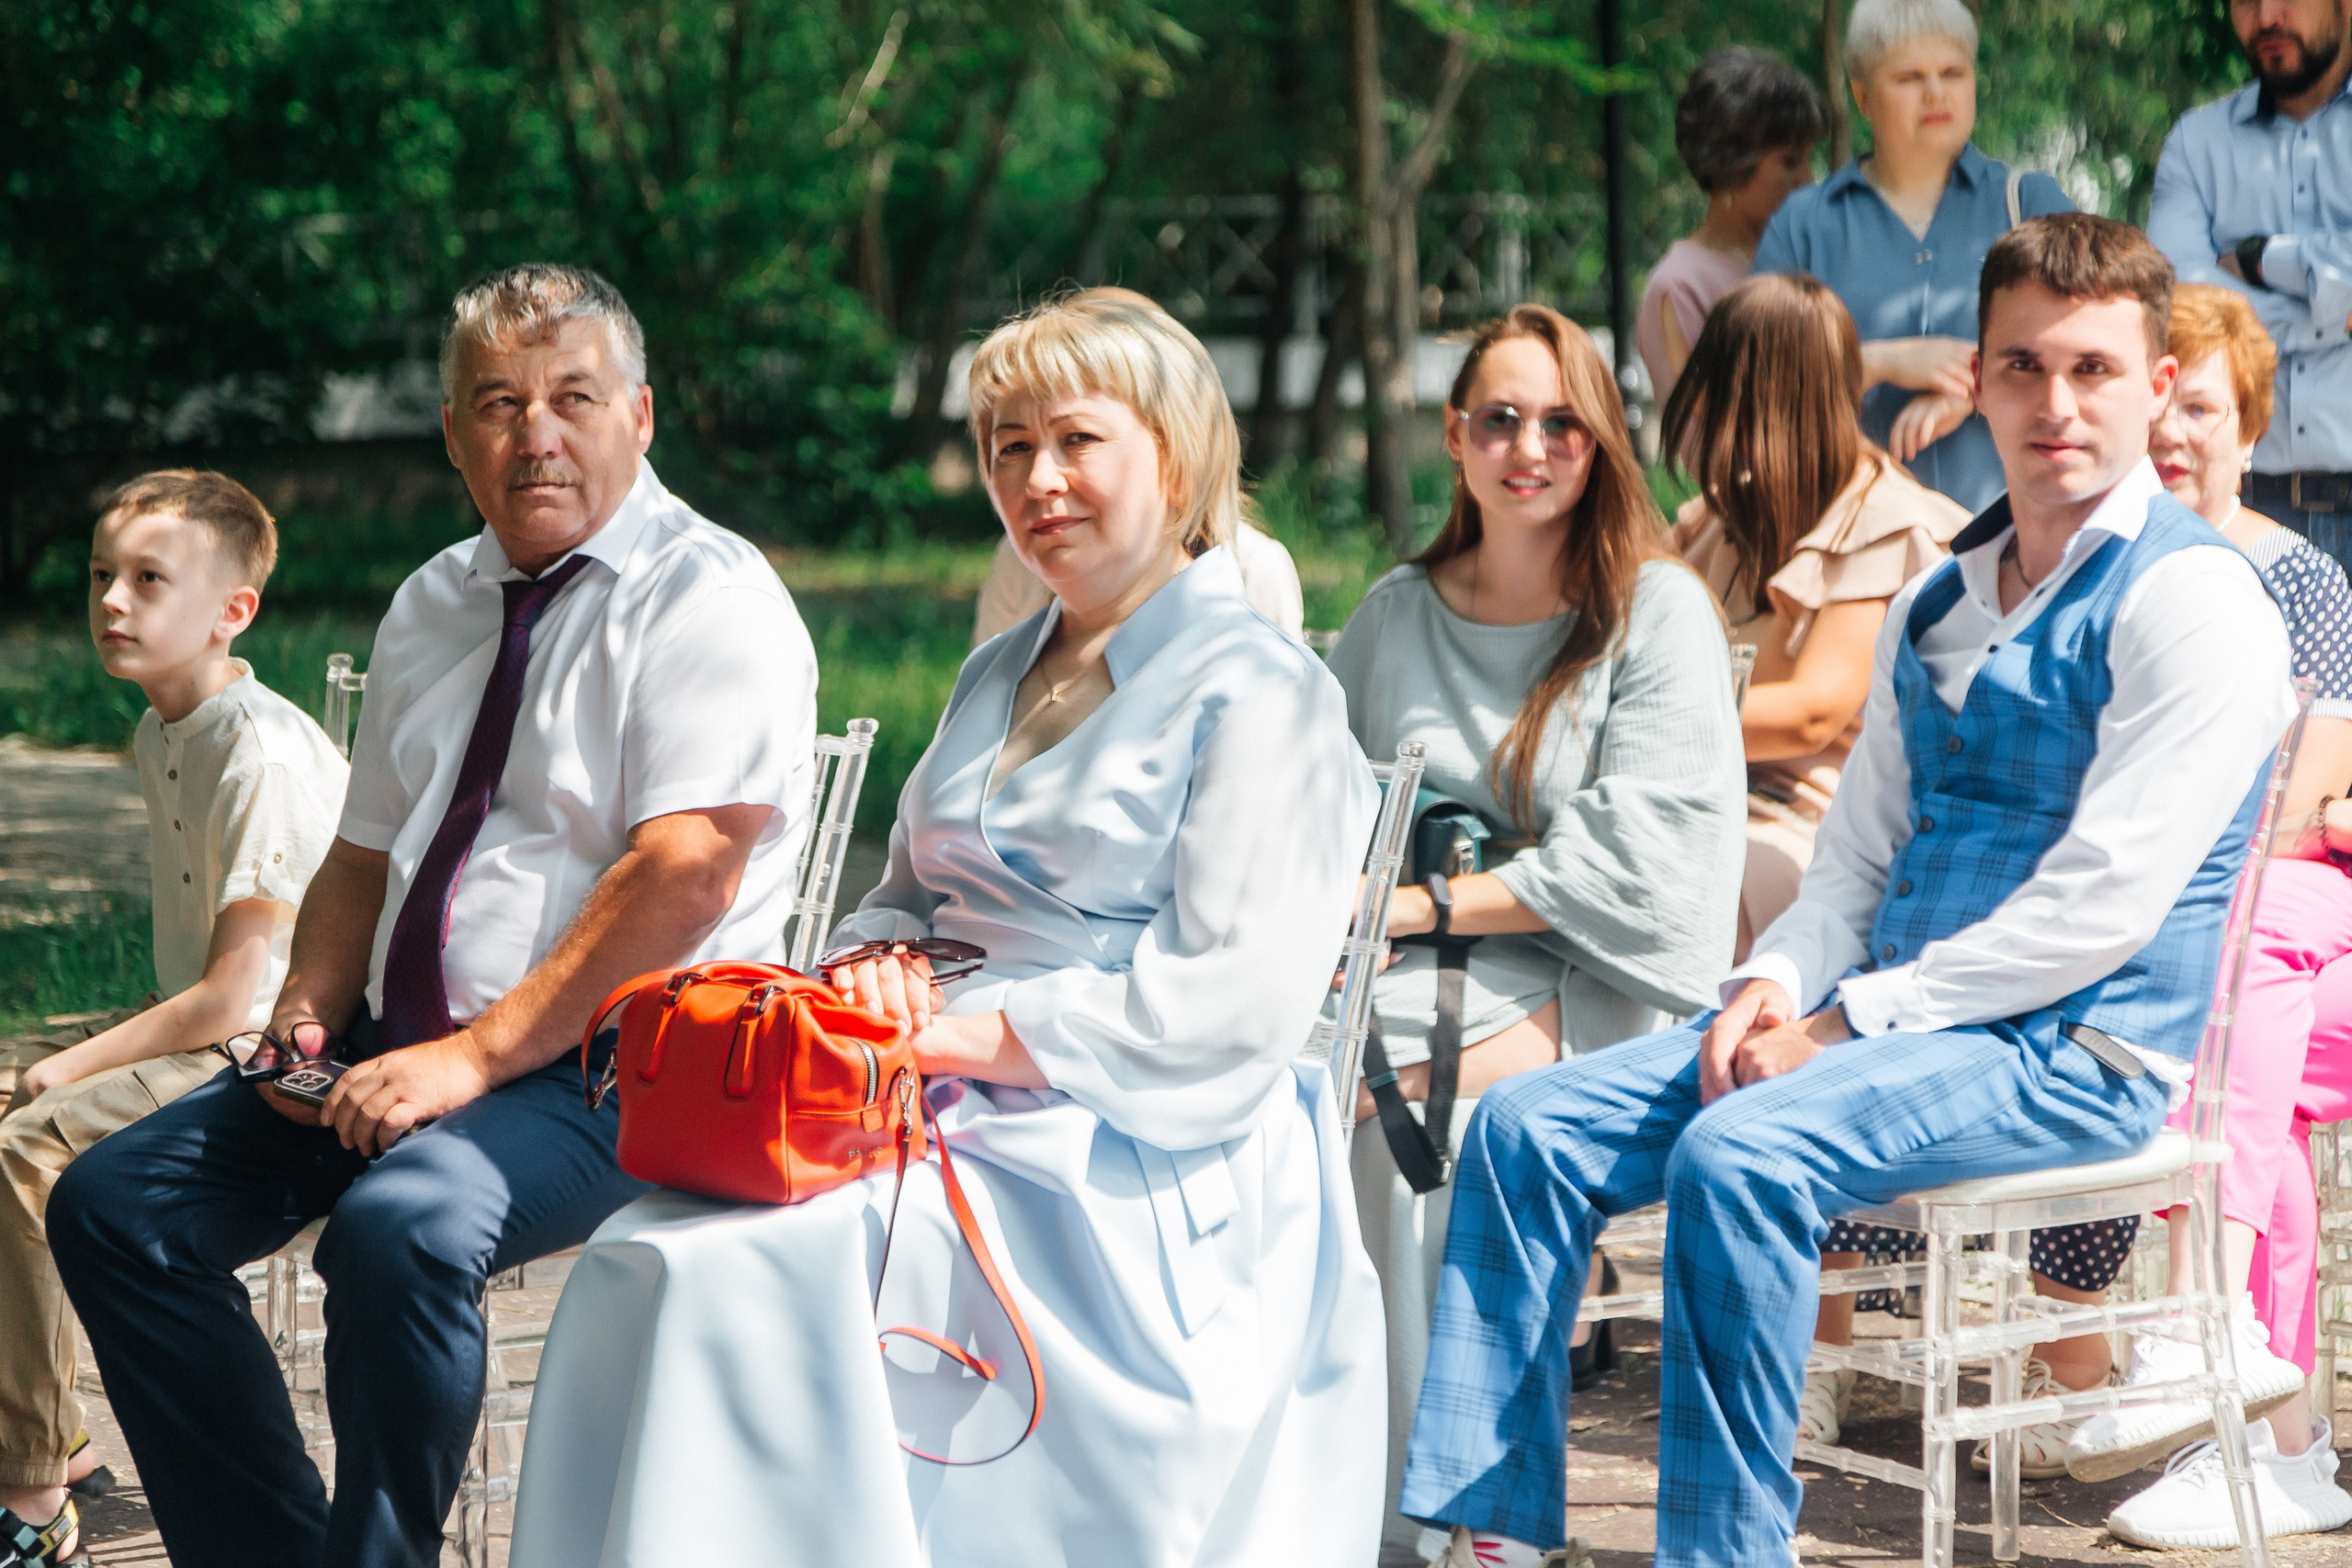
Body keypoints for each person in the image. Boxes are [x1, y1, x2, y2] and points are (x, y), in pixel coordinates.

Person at [1396, 214, 2297, 1568]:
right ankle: (1497, 1532)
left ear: (2159, 384)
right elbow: (1855, 861)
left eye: (2097, 369)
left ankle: (1727, 1551)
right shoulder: (1937, 600)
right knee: (1527, 1126)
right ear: (1977, 381)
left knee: (1743, 1149)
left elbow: (2097, 908)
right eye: (2025, 366)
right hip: (1907, 1025)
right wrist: (1770, 982)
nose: (2058, 402)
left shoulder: (2197, 602)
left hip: (2075, 1048)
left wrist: (1842, 1023)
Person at [506, 288, 1387, 1567]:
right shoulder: (999, 666)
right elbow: (901, 894)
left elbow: (1228, 1007)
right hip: (919, 1084)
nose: (1037, 478)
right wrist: (873, 964)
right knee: (654, 1247)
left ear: (1178, 453)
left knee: (740, 1273)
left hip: (1121, 1139)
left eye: (1078, 440)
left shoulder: (1264, 691)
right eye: (1006, 444)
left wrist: (967, 1039)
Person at [46, 265, 819, 1567]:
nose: (536, 434)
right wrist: (302, 1022)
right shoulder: (434, 597)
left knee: (400, 1223)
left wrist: (467, 1058)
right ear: (454, 432)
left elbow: (686, 868)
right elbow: (355, 857)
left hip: (619, 1070)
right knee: (117, 1203)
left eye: (572, 396)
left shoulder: (709, 595)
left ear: (640, 412)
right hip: (394, 1054)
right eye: (497, 403)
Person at [1327, 303, 1745, 1562]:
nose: (1530, 446)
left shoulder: (1652, 610)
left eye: (1562, 420)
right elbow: (1320, 807)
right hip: (1401, 959)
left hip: (1594, 967)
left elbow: (1647, 858)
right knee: (1281, 1081)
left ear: (1603, 439)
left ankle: (1456, 1514)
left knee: (1414, 1113)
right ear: (1455, 438)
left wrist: (1425, 904)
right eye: (1500, 419)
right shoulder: (1396, 612)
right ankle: (1318, 1481)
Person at [0, 471, 346, 1567]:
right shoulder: (166, 733)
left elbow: (234, 999)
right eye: (104, 575)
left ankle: (32, 1491)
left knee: (25, 1145)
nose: (110, 600)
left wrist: (66, 1066)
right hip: (208, 1028)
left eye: (149, 579)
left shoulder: (259, 752)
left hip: (282, 1056)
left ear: (232, 609)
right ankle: (59, 1433)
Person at [2053, 282, 2352, 1548]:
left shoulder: (2304, 583)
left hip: (2284, 916)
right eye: (2163, 408)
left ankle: (2212, 1352)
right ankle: (2284, 1438)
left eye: (2207, 412)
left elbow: (2304, 798)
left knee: (2253, 943)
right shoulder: (2103, 574)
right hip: (2207, 945)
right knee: (2258, 1088)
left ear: (2252, 426)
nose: (2179, 437)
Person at [1661, 272, 1969, 960]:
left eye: (1713, 388)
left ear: (1762, 397)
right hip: (1701, 795)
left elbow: (1811, 712)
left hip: (1822, 834)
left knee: (1668, 881)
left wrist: (1634, 720)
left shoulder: (1886, 523)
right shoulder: (1716, 520)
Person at [1754, 0, 2073, 514]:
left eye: (1953, 72)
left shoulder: (2031, 205)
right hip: (1847, 543)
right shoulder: (1804, 224)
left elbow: (2097, 350)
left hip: (2022, 537)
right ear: (1862, 96)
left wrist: (1976, 386)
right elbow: (1756, 385)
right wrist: (1881, 362)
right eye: (1908, 77)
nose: (1935, 92)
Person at [2147, 0, 2352, 571]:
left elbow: (2213, 320)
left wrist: (2260, 262)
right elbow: (2179, 308)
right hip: (2239, 518)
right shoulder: (2196, 143)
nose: (2266, 16)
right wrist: (2338, 313)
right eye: (2245, 1)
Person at [1636, 48, 1826, 403]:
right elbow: (1707, 438)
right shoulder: (1679, 286)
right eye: (1789, 162)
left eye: (1808, 159)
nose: (1807, 179)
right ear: (1731, 162)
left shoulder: (1807, 254)